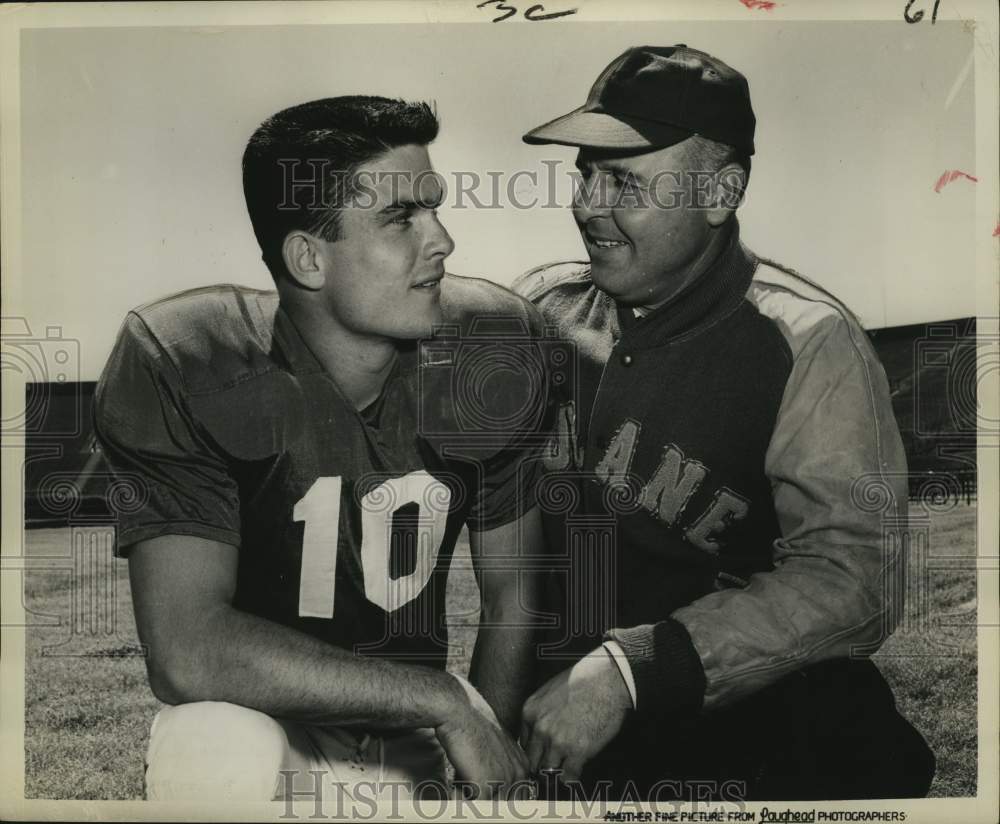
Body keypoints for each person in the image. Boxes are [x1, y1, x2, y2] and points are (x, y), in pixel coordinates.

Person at [94, 96, 549, 802]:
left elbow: (513, 591)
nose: (443, 241)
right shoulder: (186, 357)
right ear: (308, 257)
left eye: (434, 208)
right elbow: (186, 650)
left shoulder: (491, 341)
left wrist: (484, 749)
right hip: (270, 728)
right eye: (401, 218)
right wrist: (445, 700)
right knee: (212, 744)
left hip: (412, 746)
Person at [513, 45, 935, 800]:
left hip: (747, 739)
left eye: (624, 181)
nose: (586, 204)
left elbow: (857, 578)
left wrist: (633, 669)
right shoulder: (541, 314)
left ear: (720, 192)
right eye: (583, 174)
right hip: (559, 739)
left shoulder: (809, 341)